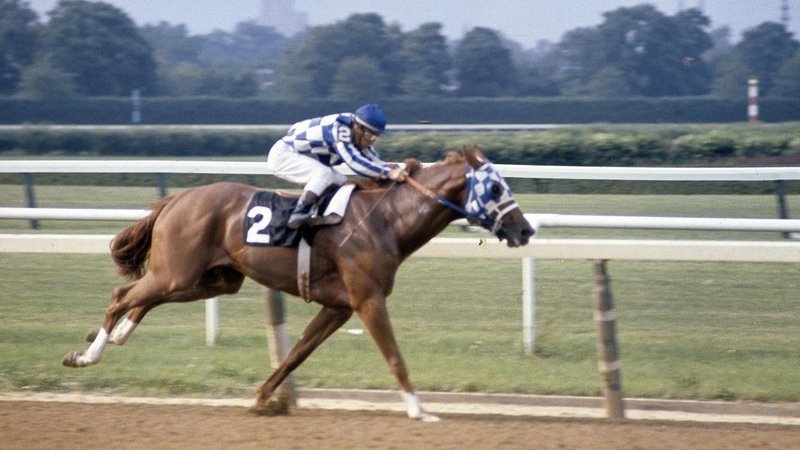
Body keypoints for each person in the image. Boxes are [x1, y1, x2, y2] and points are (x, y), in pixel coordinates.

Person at [267, 104, 407, 229]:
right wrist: (386, 172)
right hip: (283, 156)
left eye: (375, 137)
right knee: (325, 174)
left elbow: (371, 157)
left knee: (341, 181)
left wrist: (390, 168)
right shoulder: (340, 130)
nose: (371, 141)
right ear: (358, 127)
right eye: (370, 136)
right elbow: (354, 161)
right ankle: (300, 213)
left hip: (300, 155)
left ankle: (319, 213)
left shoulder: (354, 128)